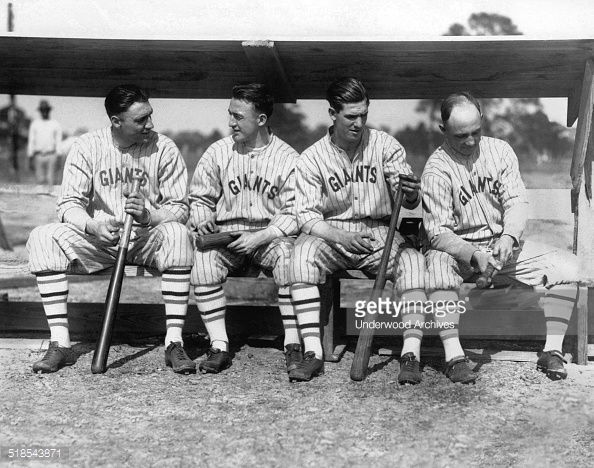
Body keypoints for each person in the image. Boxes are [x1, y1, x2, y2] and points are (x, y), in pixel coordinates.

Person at [27, 85, 195, 375]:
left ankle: (174, 342)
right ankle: (61, 343)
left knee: (179, 234)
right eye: (141, 120)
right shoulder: (87, 146)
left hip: (146, 239)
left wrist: (149, 215)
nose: (150, 124)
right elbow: (68, 204)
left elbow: (179, 207)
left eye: (150, 116)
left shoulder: (163, 147)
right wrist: (92, 226)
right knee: (43, 237)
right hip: (102, 241)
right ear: (116, 121)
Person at [422, 91, 580, 381]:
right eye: (461, 136)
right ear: (443, 130)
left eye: (475, 132)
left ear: (482, 120)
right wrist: (473, 255)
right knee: (437, 274)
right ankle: (455, 356)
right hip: (459, 253)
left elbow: (516, 202)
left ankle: (552, 350)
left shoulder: (500, 150)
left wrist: (509, 237)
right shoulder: (436, 169)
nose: (470, 141)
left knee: (568, 267)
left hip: (503, 249)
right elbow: (438, 233)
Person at [288, 77, 428, 383]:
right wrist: (341, 236)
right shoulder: (312, 157)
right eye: (351, 116)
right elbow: (306, 217)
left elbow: (408, 211)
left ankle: (411, 354)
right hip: (332, 234)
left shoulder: (385, 145)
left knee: (415, 262)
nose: (358, 122)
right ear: (332, 114)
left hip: (380, 233)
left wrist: (413, 196)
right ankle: (312, 353)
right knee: (299, 256)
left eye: (363, 114)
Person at [189, 83, 301, 375]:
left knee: (291, 261)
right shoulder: (218, 152)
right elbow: (200, 197)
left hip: (269, 236)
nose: (230, 122)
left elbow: (295, 211)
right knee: (202, 264)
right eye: (230, 114)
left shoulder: (288, 158)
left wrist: (263, 236)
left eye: (238, 116)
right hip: (228, 237)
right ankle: (219, 344)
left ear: (261, 120)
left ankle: (292, 343)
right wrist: (202, 216)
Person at [27, 100, 62, 185]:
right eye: (42, 110)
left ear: (49, 110)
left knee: (51, 181)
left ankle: (51, 199)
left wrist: (59, 157)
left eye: (46, 110)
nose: (44, 112)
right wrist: (30, 156)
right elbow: (31, 140)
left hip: (51, 155)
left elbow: (58, 141)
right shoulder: (35, 124)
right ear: (40, 111)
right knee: (40, 181)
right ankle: (40, 198)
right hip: (38, 156)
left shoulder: (55, 124)